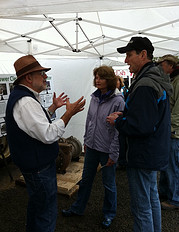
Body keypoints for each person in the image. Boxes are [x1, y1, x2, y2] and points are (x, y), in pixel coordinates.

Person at [5, 55, 86, 232]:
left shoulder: (25, 98)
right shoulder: (26, 101)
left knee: (38, 207)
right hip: (38, 168)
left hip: (35, 166)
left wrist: (52, 109)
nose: (45, 77)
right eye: (41, 73)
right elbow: (48, 134)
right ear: (28, 78)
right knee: (46, 214)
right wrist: (68, 114)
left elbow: (33, 126)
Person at [107, 37, 173, 232]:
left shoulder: (145, 84)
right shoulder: (156, 78)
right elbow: (149, 116)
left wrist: (118, 121)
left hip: (143, 154)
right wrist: (127, 114)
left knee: (141, 207)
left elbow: (141, 126)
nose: (126, 60)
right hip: (154, 152)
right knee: (152, 199)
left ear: (143, 54)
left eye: (129, 55)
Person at [62, 65, 125, 228]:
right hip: (92, 147)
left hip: (107, 150)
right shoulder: (95, 98)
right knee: (86, 180)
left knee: (109, 184)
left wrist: (114, 153)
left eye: (101, 77)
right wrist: (86, 141)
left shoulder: (118, 101)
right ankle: (78, 208)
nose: (97, 80)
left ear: (110, 80)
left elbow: (119, 131)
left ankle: (109, 214)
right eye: (96, 77)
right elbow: (90, 121)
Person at [157, 54, 179, 210]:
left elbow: (177, 111)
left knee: (172, 166)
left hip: (174, 132)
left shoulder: (178, 82)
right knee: (166, 165)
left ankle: (175, 199)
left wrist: (170, 128)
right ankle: (164, 192)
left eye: (162, 64)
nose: (160, 67)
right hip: (169, 131)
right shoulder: (171, 80)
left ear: (171, 66)